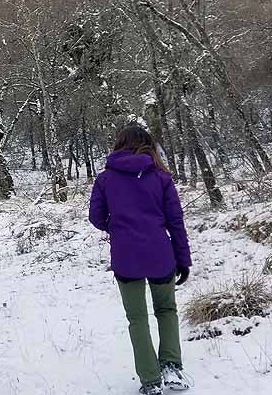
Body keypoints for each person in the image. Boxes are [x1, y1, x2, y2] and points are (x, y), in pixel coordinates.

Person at [89, 124, 194, 395]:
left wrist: (116, 225)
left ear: (119, 144)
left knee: (137, 319)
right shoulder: (161, 177)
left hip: (126, 257)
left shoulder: (105, 179)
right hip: (160, 253)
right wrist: (183, 258)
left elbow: (96, 217)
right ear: (148, 144)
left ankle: (150, 381)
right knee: (166, 310)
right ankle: (171, 366)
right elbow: (176, 222)